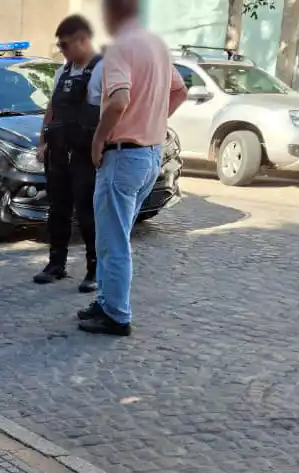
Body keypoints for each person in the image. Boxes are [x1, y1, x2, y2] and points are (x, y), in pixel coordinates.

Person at [80, 0, 187, 336]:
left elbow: (119, 100)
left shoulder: (120, 49)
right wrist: (152, 120)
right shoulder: (156, 45)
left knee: (113, 241)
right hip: (149, 155)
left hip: (123, 156)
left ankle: (116, 314)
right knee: (116, 235)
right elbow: (180, 91)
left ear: (111, 13)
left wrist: (98, 139)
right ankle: (107, 300)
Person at [35, 14, 103, 293]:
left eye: (65, 45)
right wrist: (42, 141)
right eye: (59, 46)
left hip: (84, 155)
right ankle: (56, 264)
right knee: (58, 211)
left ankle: (94, 270)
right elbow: (52, 109)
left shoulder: (101, 69)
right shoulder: (63, 72)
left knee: (88, 215)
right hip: (59, 152)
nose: (61, 51)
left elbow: (110, 112)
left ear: (82, 40)